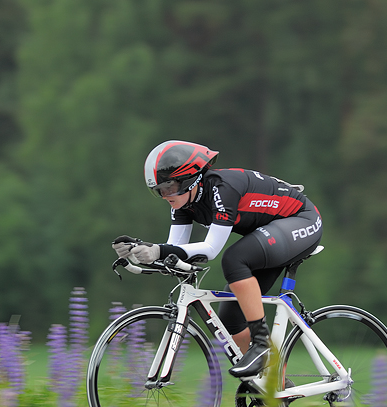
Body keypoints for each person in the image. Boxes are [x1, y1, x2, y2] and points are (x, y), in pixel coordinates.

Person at [113, 140, 323, 379]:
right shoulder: (182, 201)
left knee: (234, 258)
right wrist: (140, 251)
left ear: (190, 179)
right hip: (269, 233)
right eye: (159, 191)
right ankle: (275, 389)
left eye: (168, 188)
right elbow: (175, 251)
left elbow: (210, 249)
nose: (164, 196)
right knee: (230, 319)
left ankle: (262, 345)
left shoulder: (222, 189)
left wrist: (158, 251)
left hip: (301, 220)